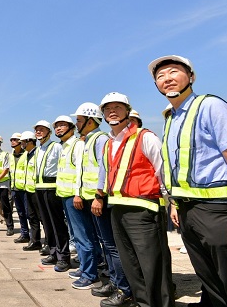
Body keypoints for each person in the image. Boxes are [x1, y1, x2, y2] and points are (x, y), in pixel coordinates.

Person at [149, 55, 227, 307]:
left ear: (191, 76)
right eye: (160, 76)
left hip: (218, 210)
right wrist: (174, 203)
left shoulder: (210, 106)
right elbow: (175, 168)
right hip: (187, 212)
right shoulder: (171, 119)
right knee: (210, 282)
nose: (167, 78)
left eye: (173, 71)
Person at [101, 91, 174, 307]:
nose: (112, 112)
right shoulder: (109, 143)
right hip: (117, 209)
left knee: (153, 266)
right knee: (131, 265)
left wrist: (171, 204)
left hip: (144, 211)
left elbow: (163, 172)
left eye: (117, 107)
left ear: (128, 111)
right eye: (108, 109)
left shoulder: (145, 137)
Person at [72, 102, 132, 306]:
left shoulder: (100, 139)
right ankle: (114, 281)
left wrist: (99, 196)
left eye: (79, 120)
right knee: (106, 244)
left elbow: (104, 170)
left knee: (112, 245)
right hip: (93, 198)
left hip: (101, 199)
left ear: (90, 121)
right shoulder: (91, 140)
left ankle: (123, 287)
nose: (76, 124)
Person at [55, 114, 101, 290]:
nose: (58, 128)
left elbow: (80, 171)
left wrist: (77, 194)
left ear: (71, 128)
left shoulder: (77, 144)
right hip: (66, 195)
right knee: (78, 235)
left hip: (75, 196)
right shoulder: (65, 146)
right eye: (56, 126)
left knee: (83, 237)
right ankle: (84, 267)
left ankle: (90, 274)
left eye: (62, 125)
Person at [33, 119, 71, 273]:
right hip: (39, 189)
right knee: (47, 224)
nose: (38, 132)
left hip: (52, 189)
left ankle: (64, 257)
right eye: (37, 130)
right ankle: (53, 251)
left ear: (48, 132)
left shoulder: (56, 147)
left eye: (42, 129)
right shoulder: (39, 149)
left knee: (57, 224)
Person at [9, 132, 29, 244]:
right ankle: (24, 234)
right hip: (15, 189)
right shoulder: (11, 156)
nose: (12, 141)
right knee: (20, 213)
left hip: (25, 189)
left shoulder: (26, 154)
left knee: (29, 214)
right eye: (11, 140)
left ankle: (34, 236)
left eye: (15, 139)